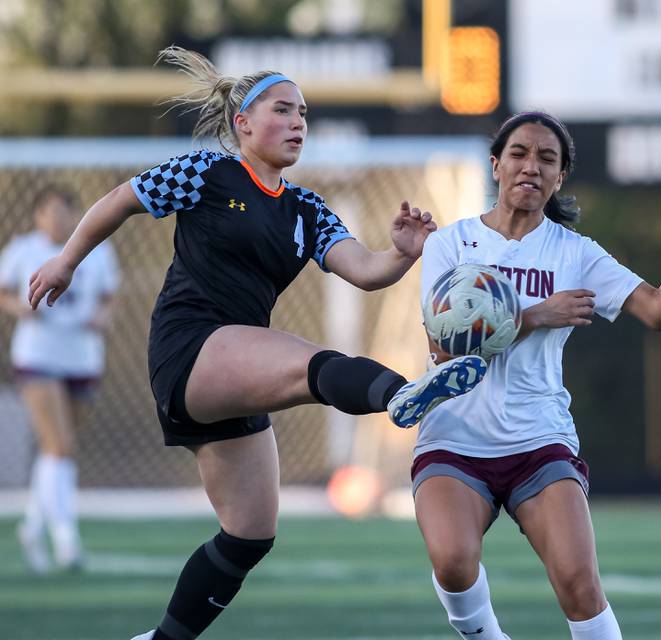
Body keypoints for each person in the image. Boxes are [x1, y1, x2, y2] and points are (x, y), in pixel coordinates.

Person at [27, 47, 485, 640]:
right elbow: (121, 199)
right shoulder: (205, 174)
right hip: (191, 348)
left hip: (237, 367)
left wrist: (400, 251)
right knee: (307, 362)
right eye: (283, 109)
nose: (298, 122)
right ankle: (404, 395)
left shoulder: (307, 208)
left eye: (304, 113)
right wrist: (65, 262)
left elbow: (366, 271)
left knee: (250, 532)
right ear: (242, 123)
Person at [413, 111, 661, 640]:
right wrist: (535, 316)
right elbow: (444, 348)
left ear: (560, 177)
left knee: (580, 585)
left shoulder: (574, 252)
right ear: (495, 165)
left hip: (539, 439)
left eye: (547, 158)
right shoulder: (450, 243)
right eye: (519, 153)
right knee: (453, 563)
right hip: (455, 439)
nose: (530, 165)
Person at [0, 187, 118, 573]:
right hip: (38, 357)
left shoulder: (97, 248)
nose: (58, 219)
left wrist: (103, 316)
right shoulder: (23, 249)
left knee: (58, 452)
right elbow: (3, 292)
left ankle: (32, 525)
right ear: (37, 216)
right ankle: (66, 540)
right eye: (50, 211)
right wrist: (20, 307)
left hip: (82, 358)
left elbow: (108, 297)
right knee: (60, 446)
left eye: (65, 211)